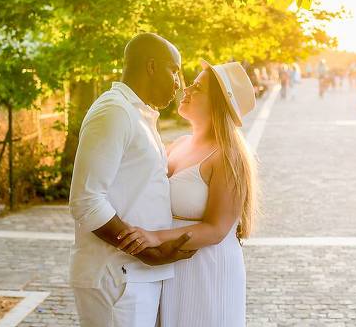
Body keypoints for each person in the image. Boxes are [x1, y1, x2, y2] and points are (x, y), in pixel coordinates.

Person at [69, 33, 196, 327]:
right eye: (174, 69)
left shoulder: (138, 114)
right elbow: (85, 201)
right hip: (117, 277)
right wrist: (146, 251)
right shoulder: (114, 112)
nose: (178, 82)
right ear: (151, 66)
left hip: (133, 276)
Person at [117, 60, 257, 327]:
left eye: (198, 87)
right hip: (170, 264)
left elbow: (217, 229)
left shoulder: (228, 156)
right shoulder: (178, 144)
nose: (186, 89)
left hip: (207, 267)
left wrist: (154, 237)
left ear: (218, 104)